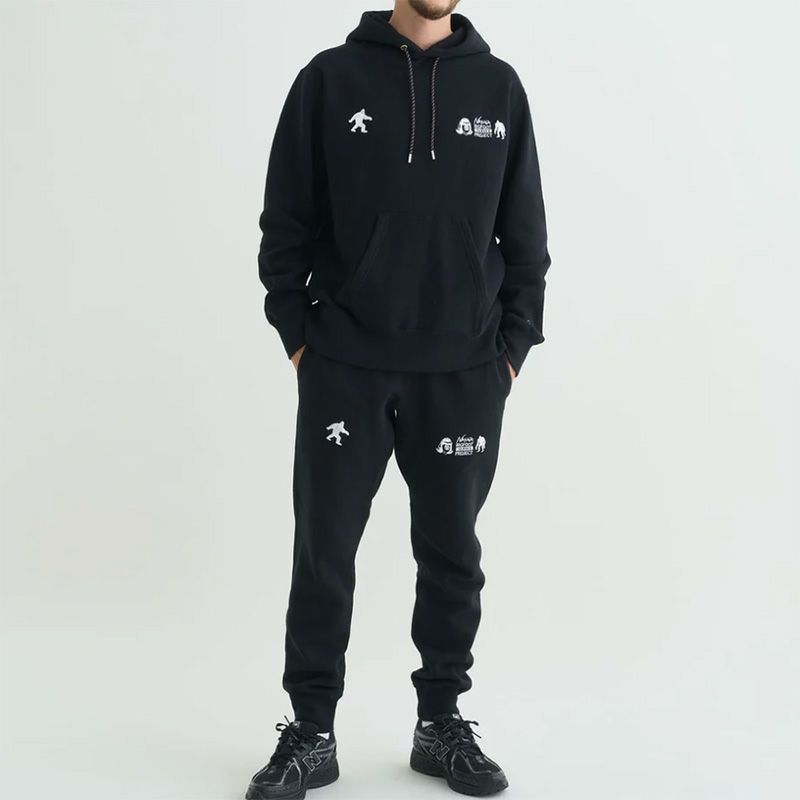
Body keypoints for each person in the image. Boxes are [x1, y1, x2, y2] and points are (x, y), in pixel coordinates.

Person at [247, 1, 550, 797]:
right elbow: (286, 220)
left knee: (453, 554)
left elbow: (525, 238)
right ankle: (312, 732)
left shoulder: (499, 87)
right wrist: (300, 337)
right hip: (345, 364)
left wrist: (511, 351)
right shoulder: (329, 79)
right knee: (324, 551)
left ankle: (439, 722)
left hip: (464, 372)